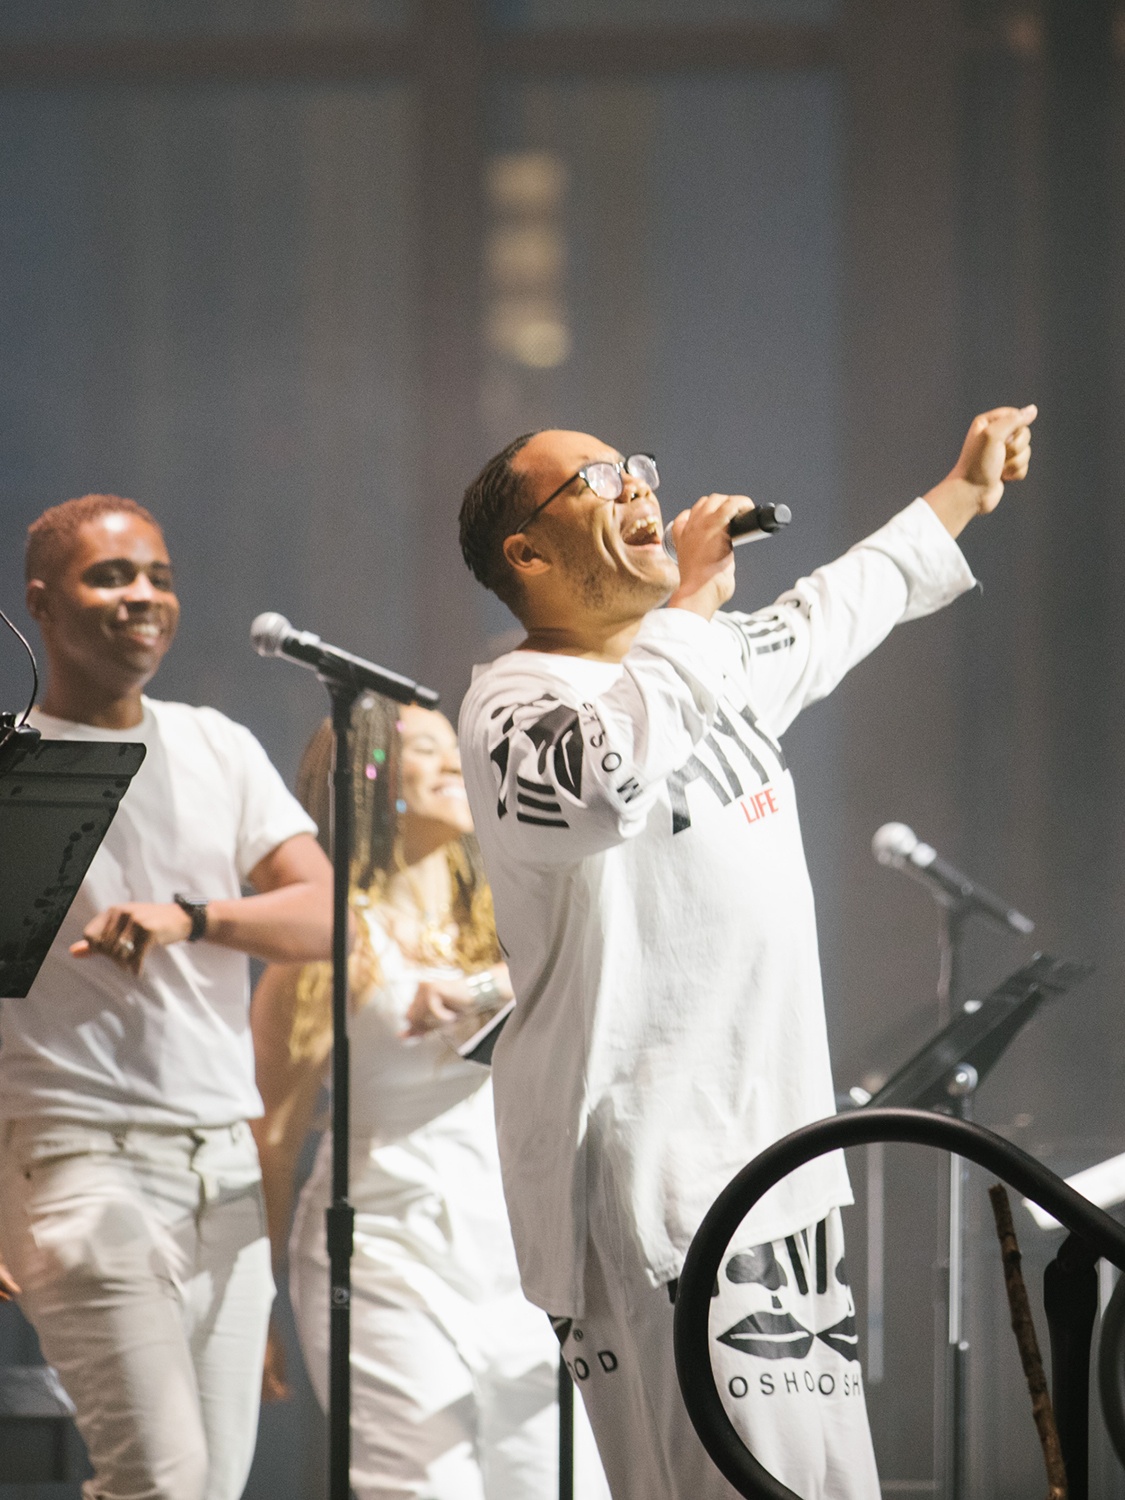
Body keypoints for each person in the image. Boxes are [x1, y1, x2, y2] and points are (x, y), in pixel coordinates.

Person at [455, 409, 1036, 1500]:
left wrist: (963, 488)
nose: (635, 488)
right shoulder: (512, 705)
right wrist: (684, 614)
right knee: (721, 1484)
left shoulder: (701, 663)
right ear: (526, 552)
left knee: (821, 1485)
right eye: (594, 480)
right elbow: (601, 786)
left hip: (778, 1171)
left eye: (636, 468)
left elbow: (837, 607)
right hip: (652, 1188)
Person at [0, 493, 334, 1500]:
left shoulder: (216, 745)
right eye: (111, 577)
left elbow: (325, 916)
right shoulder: (9, 765)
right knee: (168, 1484)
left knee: (204, 1489)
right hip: (76, 1163)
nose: (142, 595)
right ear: (42, 604)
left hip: (223, 1176)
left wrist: (196, 917)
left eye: (159, 575)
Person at [252, 696, 608, 1500]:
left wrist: (481, 985)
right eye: (430, 749)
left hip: (516, 1252)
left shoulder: (507, 921)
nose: (458, 762)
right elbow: (271, 1137)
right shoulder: (322, 941)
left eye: (460, 749)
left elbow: (590, 967)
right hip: (382, 1249)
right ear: (370, 775)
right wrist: (255, 1302)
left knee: (562, 1482)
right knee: (420, 1487)